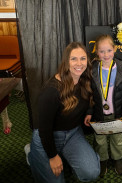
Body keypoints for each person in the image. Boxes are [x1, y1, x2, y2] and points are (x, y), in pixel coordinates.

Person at [27, 42, 100, 183]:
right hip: (46, 137)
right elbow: (44, 128)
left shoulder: (85, 79)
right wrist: (52, 156)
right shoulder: (51, 91)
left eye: (83, 58)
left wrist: (89, 113)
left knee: (91, 172)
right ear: (66, 62)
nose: (79, 63)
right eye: (74, 59)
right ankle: (32, 154)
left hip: (73, 134)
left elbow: (89, 100)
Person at [84, 34, 122, 177]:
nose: (106, 55)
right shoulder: (92, 71)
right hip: (99, 113)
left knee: (117, 139)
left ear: (114, 49)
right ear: (96, 52)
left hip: (116, 113)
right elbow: (89, 95)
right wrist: (89, 112)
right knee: (100, 140)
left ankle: (118, 159)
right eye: (101, 51)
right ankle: (102, 160)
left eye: (109, 50)